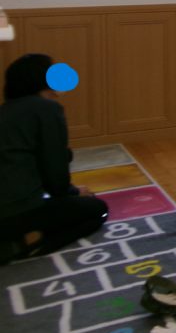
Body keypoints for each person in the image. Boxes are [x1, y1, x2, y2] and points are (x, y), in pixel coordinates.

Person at [0, 53, 109, 265]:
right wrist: (74, 192)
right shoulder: (47, 109)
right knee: (98, 210)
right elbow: (55, 177)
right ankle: (24, 243)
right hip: (14, 214)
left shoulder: (6, 111)